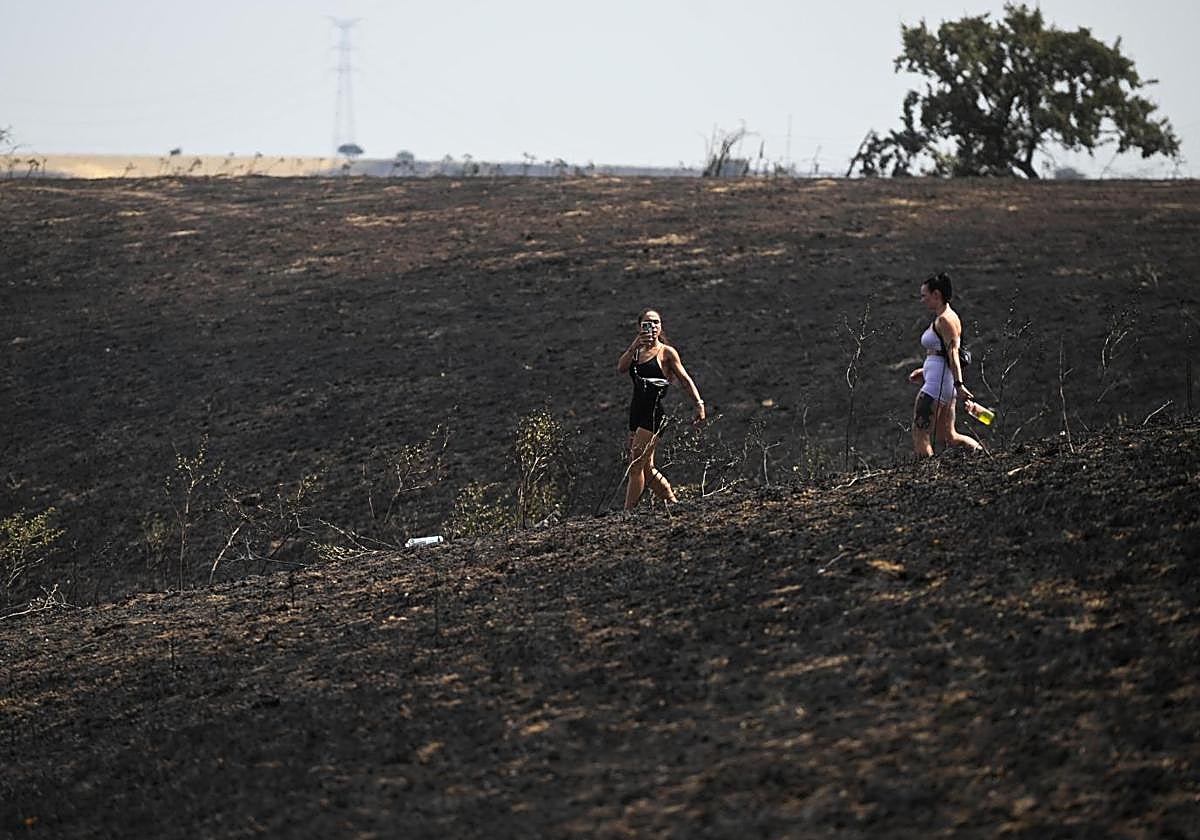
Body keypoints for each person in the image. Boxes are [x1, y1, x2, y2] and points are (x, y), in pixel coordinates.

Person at [616, 308, 705, 509]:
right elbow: (621, 368)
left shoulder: (666, 353)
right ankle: (672, 502)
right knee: (647, 469)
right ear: (639, 327)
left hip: (653, 414)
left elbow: (685, 380)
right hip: (636, 413)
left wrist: (699, 404)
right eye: (647, 323)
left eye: (656, 322)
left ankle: (628, 514)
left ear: (661, 326)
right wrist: (633, 346)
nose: (652, 327)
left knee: (635, 465)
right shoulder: (636, 352)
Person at [907, 272, 982, 458]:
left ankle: (926, 474)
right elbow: (941, 353)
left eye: (924, 296)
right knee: (948, 436)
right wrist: (925, 370)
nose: (922, 300)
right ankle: (982, 454)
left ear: (936, 295)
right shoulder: (943, 317)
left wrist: (959, 385)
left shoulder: (946, 320)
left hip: (937, 386)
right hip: (941, 382)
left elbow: (952, 352)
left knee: (920, 434)